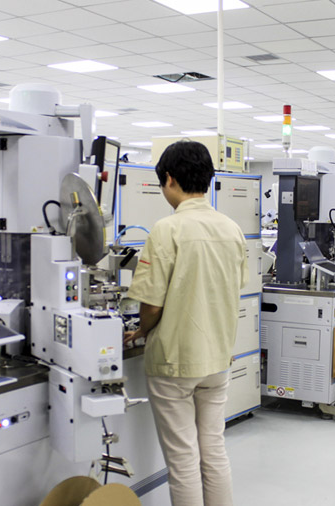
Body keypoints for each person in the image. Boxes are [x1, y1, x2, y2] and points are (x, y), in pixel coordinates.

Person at [125, 141, 248, 506]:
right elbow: (232, 288)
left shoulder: (167, 229)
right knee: (213, 450)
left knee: (182, 460)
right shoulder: (232, 229)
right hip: (218, 360)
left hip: (175, 362)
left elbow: (151, 304)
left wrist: (143, 331)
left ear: (169, 179)